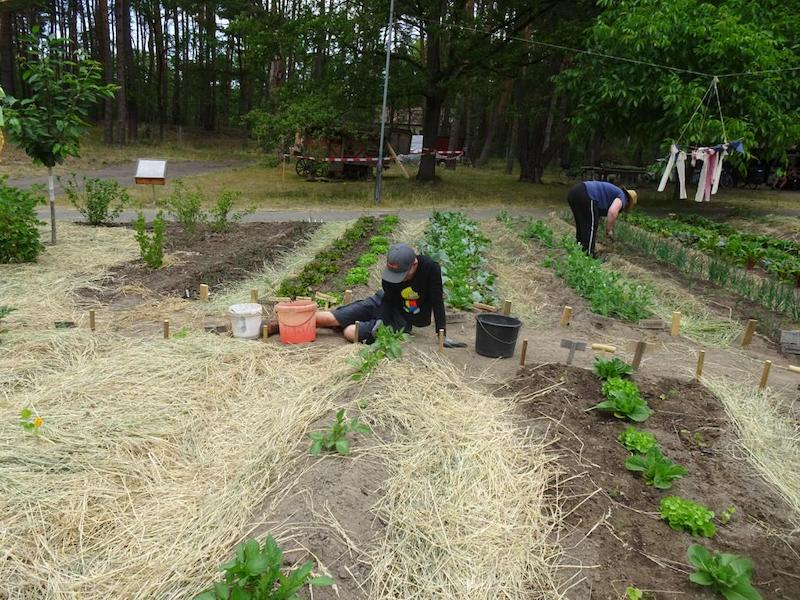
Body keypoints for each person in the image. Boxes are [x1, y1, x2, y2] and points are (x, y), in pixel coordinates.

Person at [270, 244, 467, 347]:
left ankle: (343, 326)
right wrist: (380, 319)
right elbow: (388, 299)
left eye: (402, 274)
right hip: (383, 303)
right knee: (329, 318)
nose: (397, 278)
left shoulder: (430, 269)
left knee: (350, 333)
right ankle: (281, 325)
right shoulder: (390, 276)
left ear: (414, 264)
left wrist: (443, 334)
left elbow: (437, 301)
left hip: (403, 318)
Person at [566, 181, 637, 256]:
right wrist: (609, 230)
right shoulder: (623, 198)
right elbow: (612, 212)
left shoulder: (615, 192)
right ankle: (588, 255)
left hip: (574, 192)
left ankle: (579, 250)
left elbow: (600, 207)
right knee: (590, 228)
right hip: (588, 195)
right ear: (629, 202)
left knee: (582, 225)